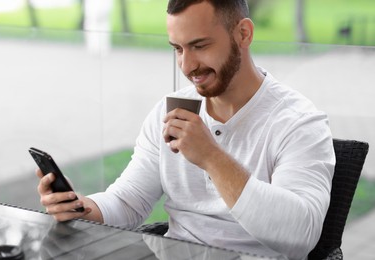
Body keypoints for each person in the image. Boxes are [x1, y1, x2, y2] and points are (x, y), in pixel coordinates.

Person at [36, 0, 335, 259]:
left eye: (199, 46)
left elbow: (300, 238)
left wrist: (211, 157)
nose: (187, 65)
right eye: (178, 48)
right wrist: (81, 208)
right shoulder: (168, 112)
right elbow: (128, 202)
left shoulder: (298, 122)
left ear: (244, 33)